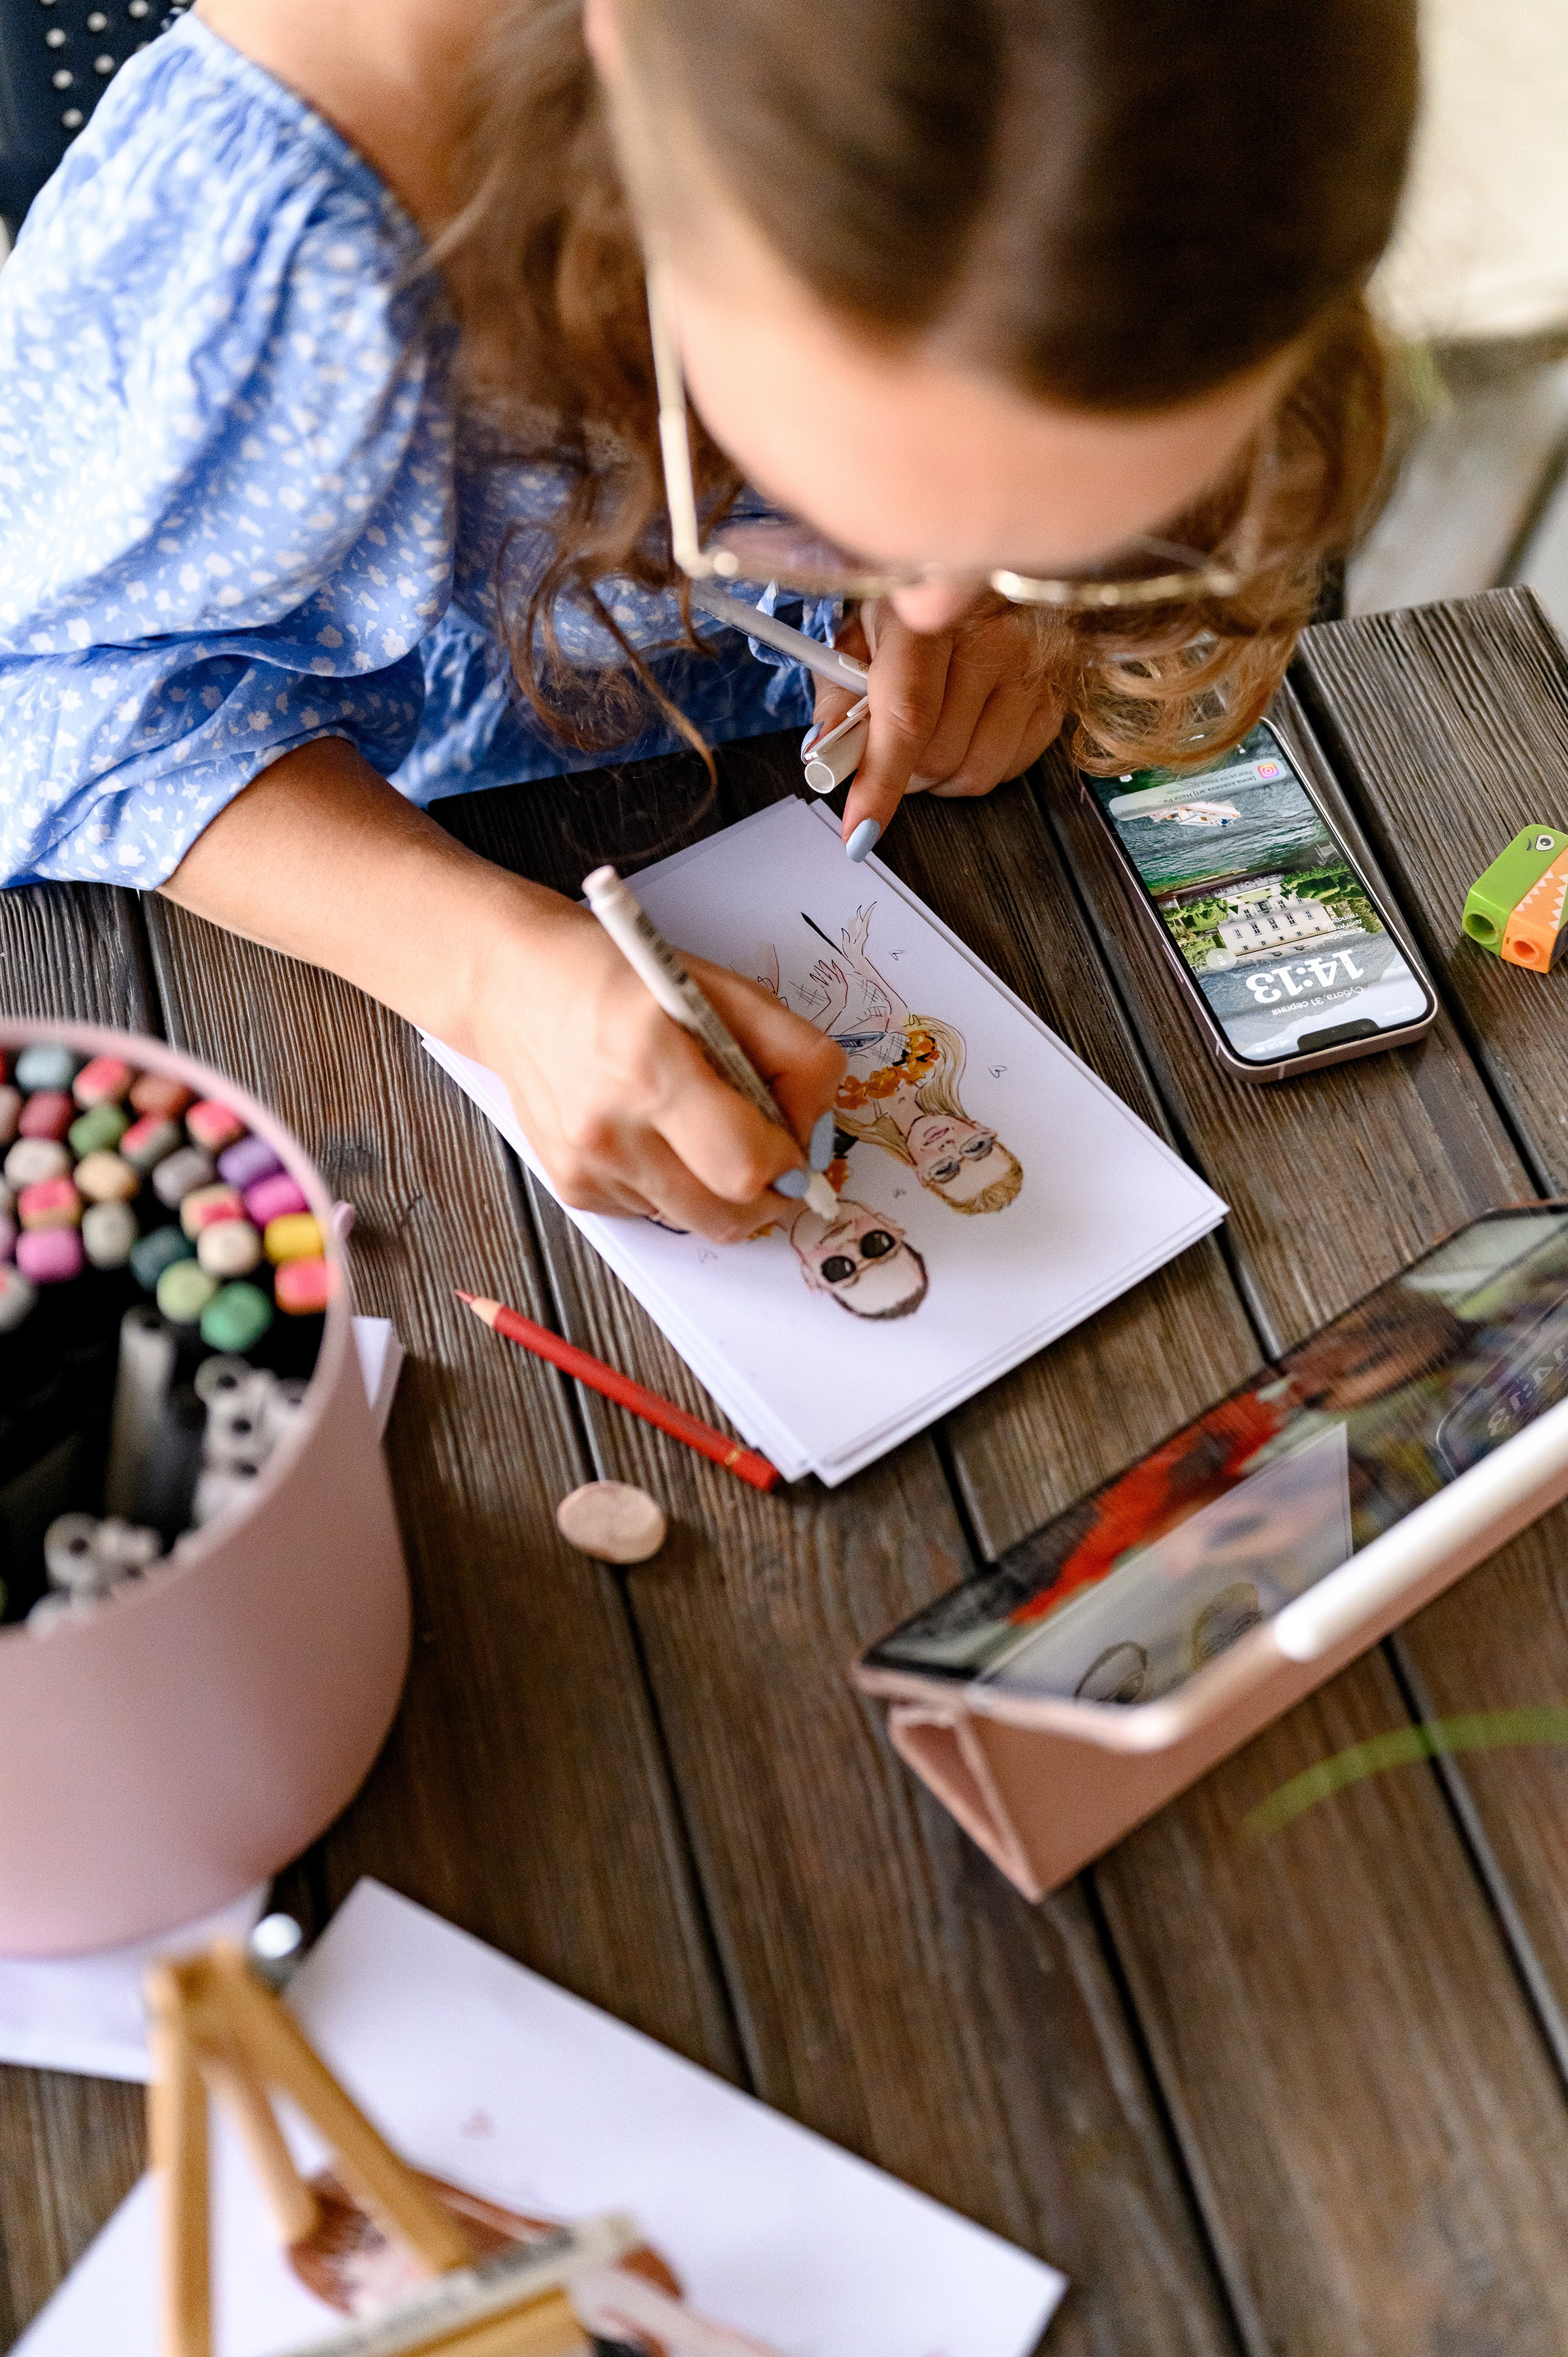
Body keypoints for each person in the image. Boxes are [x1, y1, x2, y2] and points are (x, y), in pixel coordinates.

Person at [0, 0, 1416, 1251]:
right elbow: (49, 690)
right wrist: (490, 973)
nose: (930, 600)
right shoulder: (299, 227)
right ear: (641, 109)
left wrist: (1042, 608)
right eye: (852, 491)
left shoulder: (1215, 113)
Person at [771, 905, 1022, 1213]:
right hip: (822, 962)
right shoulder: (938, 1059)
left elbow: (798, 1057)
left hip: (776, 1001)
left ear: (922, 1176)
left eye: (945, 1169)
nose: (949, 1148)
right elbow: (896, 1013)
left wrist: (838, 1006)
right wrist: (858, 956)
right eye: (975, 1148)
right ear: (980, 1128)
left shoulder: (852, 1118)